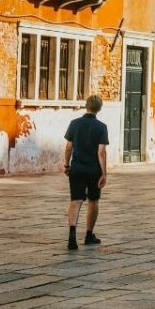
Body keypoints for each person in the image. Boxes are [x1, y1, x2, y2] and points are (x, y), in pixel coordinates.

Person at [63, 95, 109, 251]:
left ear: (86, 105)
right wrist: (104, 173)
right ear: (99, 108)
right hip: (93, 170)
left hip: (76, 168)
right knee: (93, 201)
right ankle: (89, 235)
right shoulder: (101, 127)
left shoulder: (74, 124)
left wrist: (66, 165)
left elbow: (69, 147)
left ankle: (72, 235)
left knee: (76, 200)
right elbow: (101, 152)